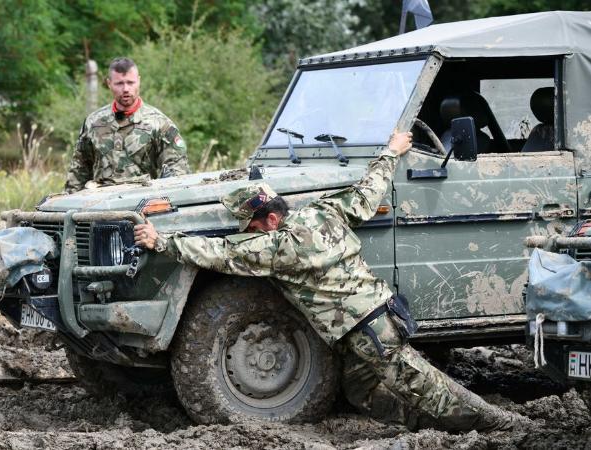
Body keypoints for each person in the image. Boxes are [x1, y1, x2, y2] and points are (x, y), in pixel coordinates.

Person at [134, 132, 531, 432]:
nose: (247, 234)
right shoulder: (323, 212)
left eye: (250, 227)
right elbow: (367, 192)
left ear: (270, 220)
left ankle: (501, 424)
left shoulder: (281, 248)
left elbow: (221, 254)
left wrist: (161, 241)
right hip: (374, 320)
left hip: (368, 330)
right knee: (362, 394)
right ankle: (434, 426)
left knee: (427, 387)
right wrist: (390, 152)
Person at [64, 57, 189, 193]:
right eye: (119, 83)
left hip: (143, 203)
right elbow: (78, 172)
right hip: (100, 204)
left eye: (130, 82)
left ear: (139, 81)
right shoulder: (94, 122)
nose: (126, 89)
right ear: (109, 84)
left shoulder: (159, 123)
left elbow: (178, 173)